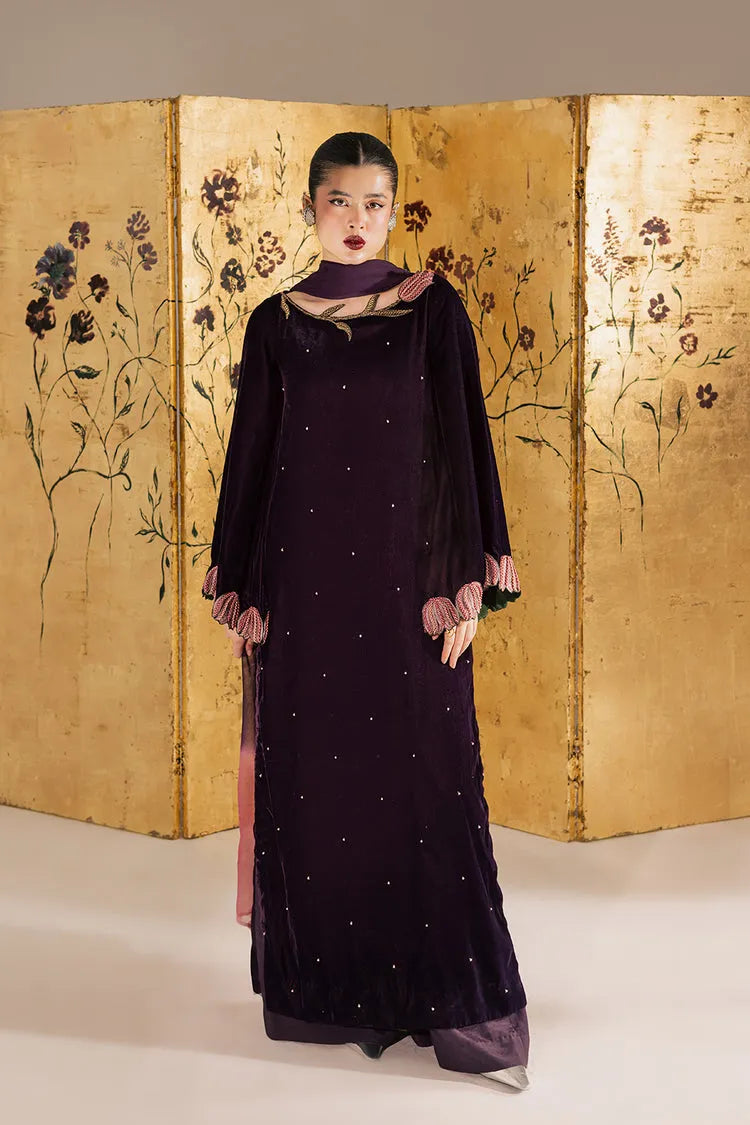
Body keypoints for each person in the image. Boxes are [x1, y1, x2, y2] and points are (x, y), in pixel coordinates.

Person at [202, 131, 530, 1090]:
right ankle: (333, 997)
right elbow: (252, 458)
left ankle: (457, 1007)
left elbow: (464, 445)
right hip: (307, 596)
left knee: (429, 792)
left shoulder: (432, 313)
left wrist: (466, 583)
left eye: (374, 203)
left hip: (407, 594)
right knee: (322, 798)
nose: (357, 220)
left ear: (395, 209)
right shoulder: (277, 324)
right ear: (311, 207)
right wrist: (247, 593)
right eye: (339, 202)